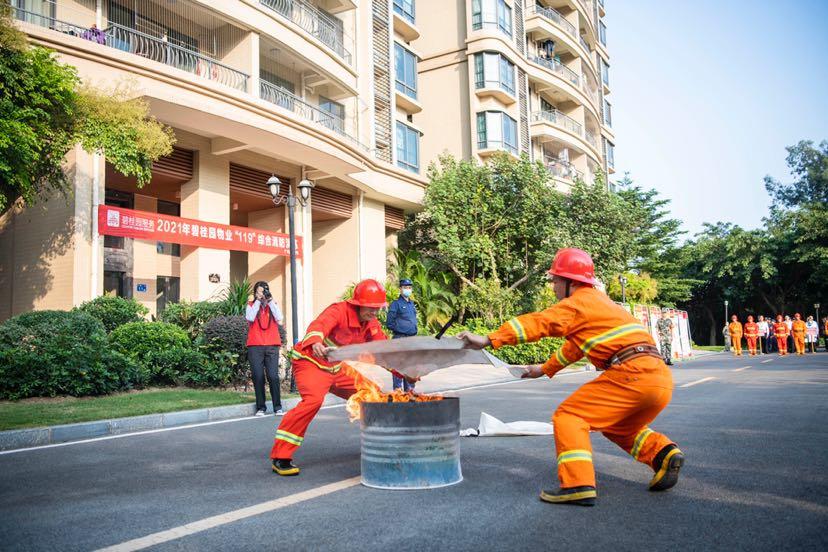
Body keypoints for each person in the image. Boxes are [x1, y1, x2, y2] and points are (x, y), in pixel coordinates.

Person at [458, 248, 682, 506]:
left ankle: (577, 484)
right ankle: (663, 454)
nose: (553, 286)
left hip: (630, 374)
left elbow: (539, 323)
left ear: (571, 282)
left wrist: (489, 339)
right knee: (618, 426)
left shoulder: (578, 304)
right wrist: (542, 369)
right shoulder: (604, 306)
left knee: (569, 416)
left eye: (555, 280)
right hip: (659, 379)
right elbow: (574, 348)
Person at [270, 279, 389, 476]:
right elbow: (319, 325)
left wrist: (406, 371)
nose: (375, 313)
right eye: (371, 308)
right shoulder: (338, 310)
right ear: (358, 304)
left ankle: (381, 445)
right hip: (312, 363)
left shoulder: (371, 322)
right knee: (313, 402)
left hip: (337, 368)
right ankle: (281, 456)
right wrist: (316, 341)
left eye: (378, 309)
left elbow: (384, 350)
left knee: (373, 394)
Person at [246, 281, 285, 417]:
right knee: (258, 377)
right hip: (255, 346)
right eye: (260, 291)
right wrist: (257, 301)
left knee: (273, 376)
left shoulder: (272, 305)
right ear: (255, 292)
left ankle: (277, 407)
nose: (262, 294)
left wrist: (270, 301)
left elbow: (280, 318)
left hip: (272, 345)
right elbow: (250, 318)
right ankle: (261, 407)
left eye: (264, 291)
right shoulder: (250, 305)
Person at [386, 278, 419, 391]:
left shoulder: (411, 304)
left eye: (409, 288)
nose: (407, 289)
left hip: (412, 340)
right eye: (405, 287)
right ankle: (398, 392)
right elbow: (389, 323)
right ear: (400, 289)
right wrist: (403, 329)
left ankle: (410, 392)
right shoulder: (396, 304)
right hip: (400, 339)